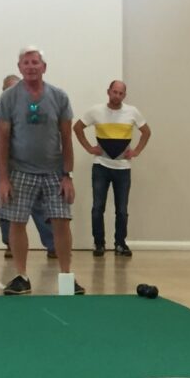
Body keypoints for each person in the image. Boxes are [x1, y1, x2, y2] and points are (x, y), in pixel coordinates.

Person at [0, 46, 83, 295]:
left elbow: (67, 137)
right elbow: (2, 139)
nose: (31, 66)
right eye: (26, 63)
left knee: (62, 221)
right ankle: (21, 276)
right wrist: (3, 179)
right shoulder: (9, 98)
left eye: (36, 62)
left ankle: (67, 276)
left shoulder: (59, 97)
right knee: (17, 221)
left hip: (54, 171)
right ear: (20, 68)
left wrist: (68, 175)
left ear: (44, 67)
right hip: (20, 170)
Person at [73, 80, 151, 257]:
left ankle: (120, 243)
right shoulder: (96, 111)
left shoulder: (132, 112)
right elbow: (77, 128)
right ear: (108, 92)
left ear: (125, 95)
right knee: (97, 207)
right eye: (114, 92)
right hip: (101, 166)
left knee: (122, 209)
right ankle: (99, 244)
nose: (117, 96)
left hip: (123, 168)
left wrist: (136, 151)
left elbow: (147, 132)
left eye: (121, 93)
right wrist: (89, 148)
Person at [0, 75, 56, 259]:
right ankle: (10, 245)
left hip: (28, 165)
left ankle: (52, 244)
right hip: (1, 167)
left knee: (38, 204)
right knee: (5, 204)